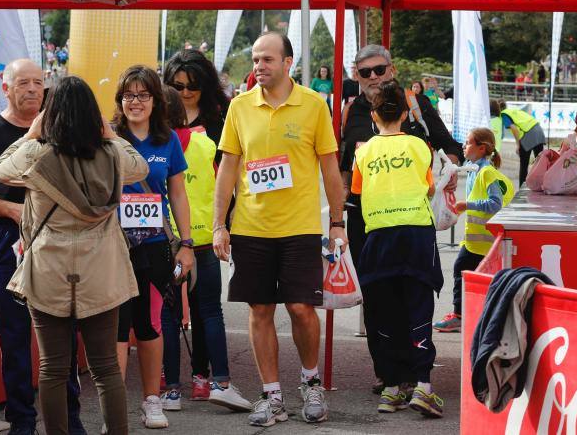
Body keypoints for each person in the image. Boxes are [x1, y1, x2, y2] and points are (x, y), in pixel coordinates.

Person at [0, 76, 148, 435]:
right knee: (107, 367)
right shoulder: (112, 156)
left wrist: (31, 132)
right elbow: (140, 166)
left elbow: (2, 168)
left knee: (52, 367)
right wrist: (111, 135)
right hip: (102, 269)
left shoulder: (36, 155)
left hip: (49, 268)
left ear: (51, 114)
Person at [212, 32, 347, 427]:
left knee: (302, 308)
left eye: (267, 59)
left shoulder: (312, 105)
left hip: (300, 227)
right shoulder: (239, 106)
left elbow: (329, 168)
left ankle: (310, 383)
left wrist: (337, 223)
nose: (259, 66)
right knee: (259, 310)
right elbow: (228, 170)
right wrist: (220, 224)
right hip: (252, 227)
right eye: (255, 59)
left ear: (288, 62)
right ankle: (272, 396)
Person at [0, 59, 84, 435]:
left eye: (38, 82)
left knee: (62, 339)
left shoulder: (60, 131)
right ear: (5, 87)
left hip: (58, 241)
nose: (32, 89)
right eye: (23, 83)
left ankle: (68, 420)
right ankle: (21, 420)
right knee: (14, 339)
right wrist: (14, 209)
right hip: (5, 241)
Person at [350, 80, 444, 417]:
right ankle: (423, 386)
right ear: (405, 114)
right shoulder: (420, 147)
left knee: (385, 312)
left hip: (379, 236)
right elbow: (429, 189)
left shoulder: (364, 151)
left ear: (373, 115)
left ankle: (390, 388)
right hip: (417, 234)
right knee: (419, 309)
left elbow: (357, 192)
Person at [159, 86, 251, 412]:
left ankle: (170, 390)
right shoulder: (204, 143)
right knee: (211, 312)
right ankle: (216, 381)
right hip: (202, 241)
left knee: (169, 317)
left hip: (168, 242)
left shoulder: (155, 147)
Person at [113, 65, 195, 430]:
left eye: (143, 95)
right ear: (120, 101)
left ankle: (151, 400)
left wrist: (187, 244)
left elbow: (177, 193)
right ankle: (114, 408)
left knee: (149, 324)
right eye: (129, 95)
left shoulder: (168, 141)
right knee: (116, 327)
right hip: (112, 247)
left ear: (155, 100)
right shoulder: (108, 138)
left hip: (156, 245)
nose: (135, 102)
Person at [341, 45, 462, 289]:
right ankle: (376, 328)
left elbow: (449, 145)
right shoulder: (351, 110)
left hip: (411, 223)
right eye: (365, 73)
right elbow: (344, 165)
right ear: (357, 76)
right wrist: (336, 215)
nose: (373, 76)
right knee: (374, 292)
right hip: (364, 220)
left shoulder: (415, 104)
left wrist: (450, 169)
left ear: (392, 70)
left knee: (412, 293)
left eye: (379, 69)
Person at [433, 128, 513, 333]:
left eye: (468, 143)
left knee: (462, 270)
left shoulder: (486, 172)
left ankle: (460, 316)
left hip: (483, 242)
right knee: (475, 276)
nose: (463, 146)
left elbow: (494, 204)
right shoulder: (474, 169)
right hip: (476, 242)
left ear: (482, 148)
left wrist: (466, 205)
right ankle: (478, 315)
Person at [163, 49, 230, 152]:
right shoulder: (159, 114)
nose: (185, 92)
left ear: (206, 84)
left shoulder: (223, 113)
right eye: (178, 86)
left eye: (193, 86)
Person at [499, 100, 546, 186]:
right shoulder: (514, 111)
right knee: (540, 162)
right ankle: (542, 185)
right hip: (538, 130)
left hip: (528, 133)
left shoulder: (504, 114)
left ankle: (522, 187)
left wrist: (518, 144)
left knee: (524, 164)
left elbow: (514, 128)